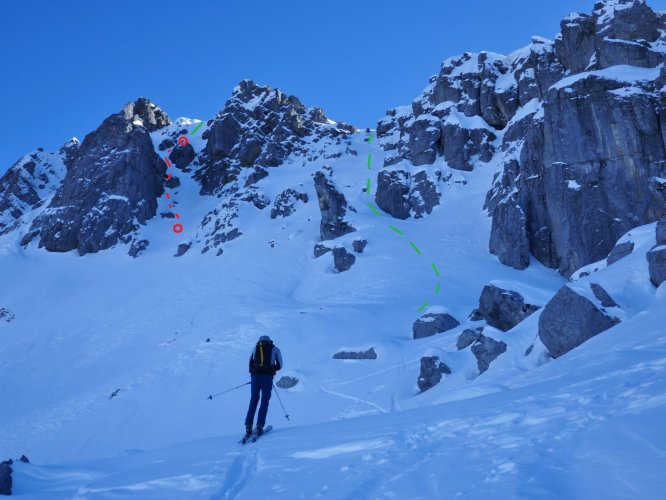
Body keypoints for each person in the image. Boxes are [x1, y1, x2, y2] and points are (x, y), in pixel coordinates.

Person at [244, 335, 283, 437]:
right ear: (269, 341)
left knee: (254, 400)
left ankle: (248, 425)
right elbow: (280, 365)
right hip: (267, 377)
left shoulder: (255, 348)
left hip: (255, 377)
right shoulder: (275, 349)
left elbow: (249, 363)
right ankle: (260, 425)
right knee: (264, 401)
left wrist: (254, 373)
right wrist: (271, 369)